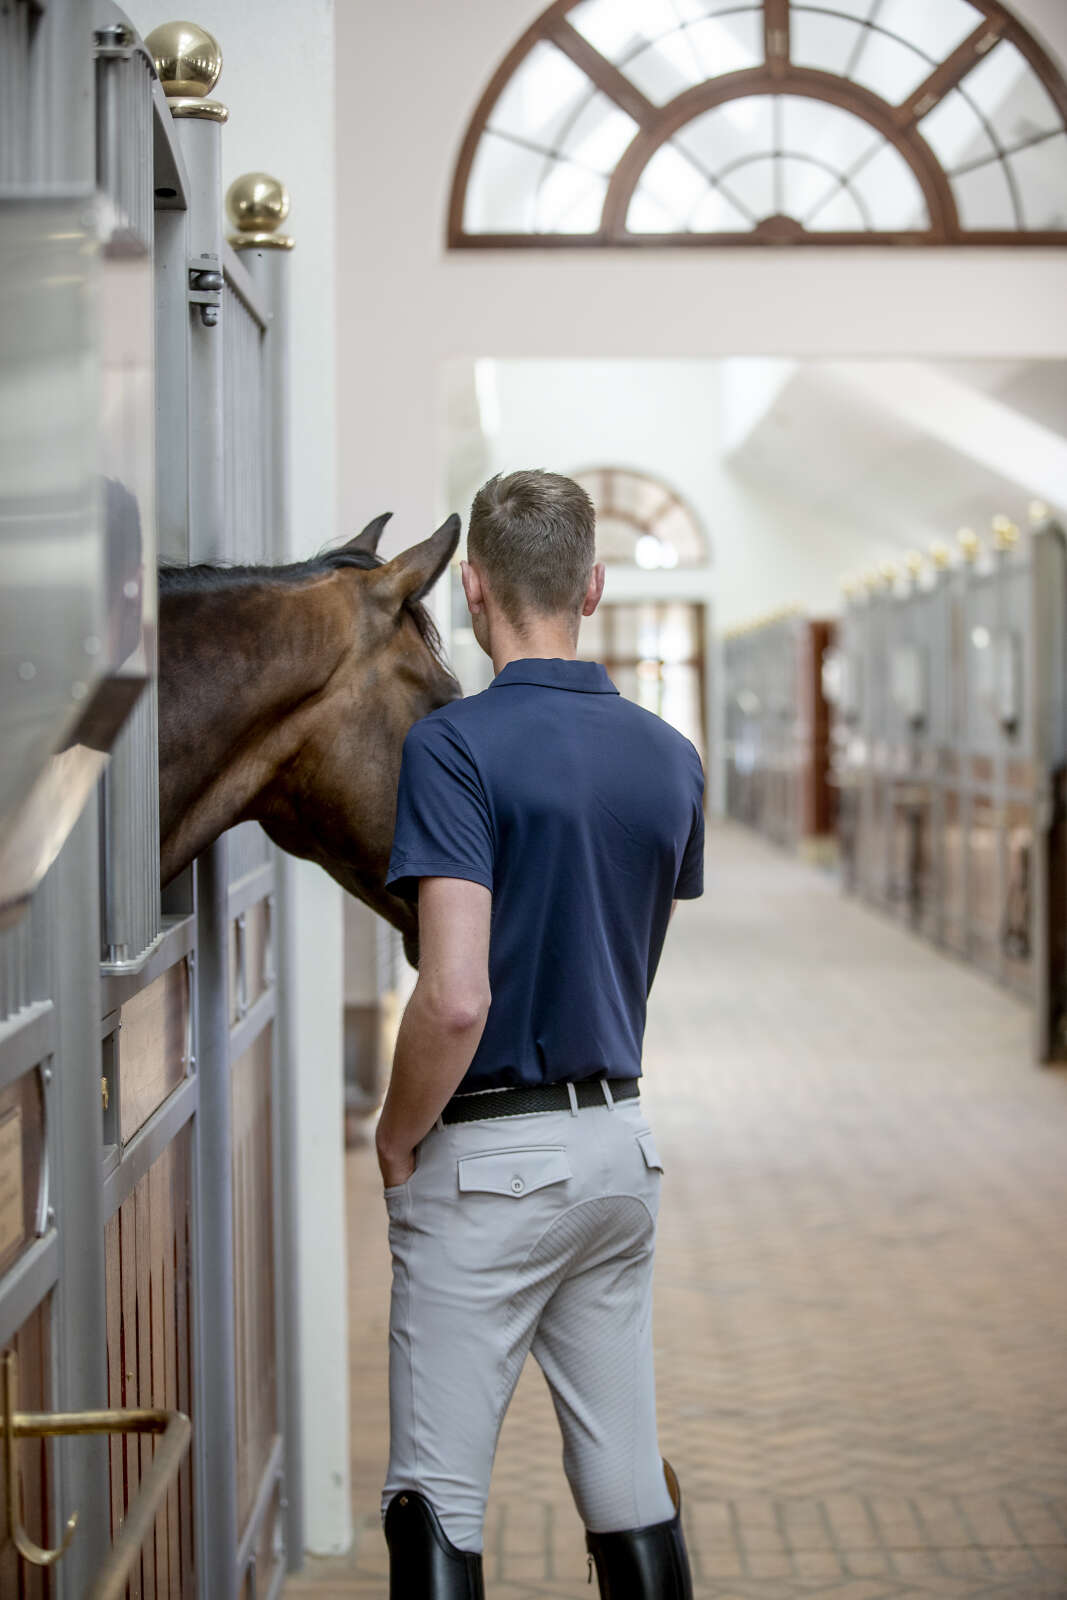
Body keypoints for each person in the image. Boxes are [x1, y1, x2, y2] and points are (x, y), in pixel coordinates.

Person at [376, 469, 704, 1599]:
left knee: (432, 1500)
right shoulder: (670, 758)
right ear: (593, 586)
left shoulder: (452, 748)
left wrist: (391, 1132)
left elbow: (454, 994)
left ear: (471, 589)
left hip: (488, 1163)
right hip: (622, 1147)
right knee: (626, 1485)